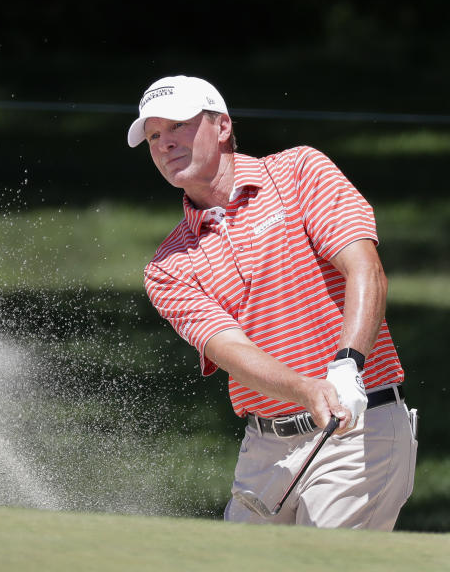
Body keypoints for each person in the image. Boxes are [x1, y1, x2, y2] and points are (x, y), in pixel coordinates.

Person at [127, 75, 417, 529]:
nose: (164, 144)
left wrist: (346, 365)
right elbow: (232, 351)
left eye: (178, 126)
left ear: (222, 126)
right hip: (265, 449)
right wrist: (307, 390)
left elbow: (365, 269)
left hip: (359, 428)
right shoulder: (168, 266)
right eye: (153, 136)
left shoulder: (299, 172)